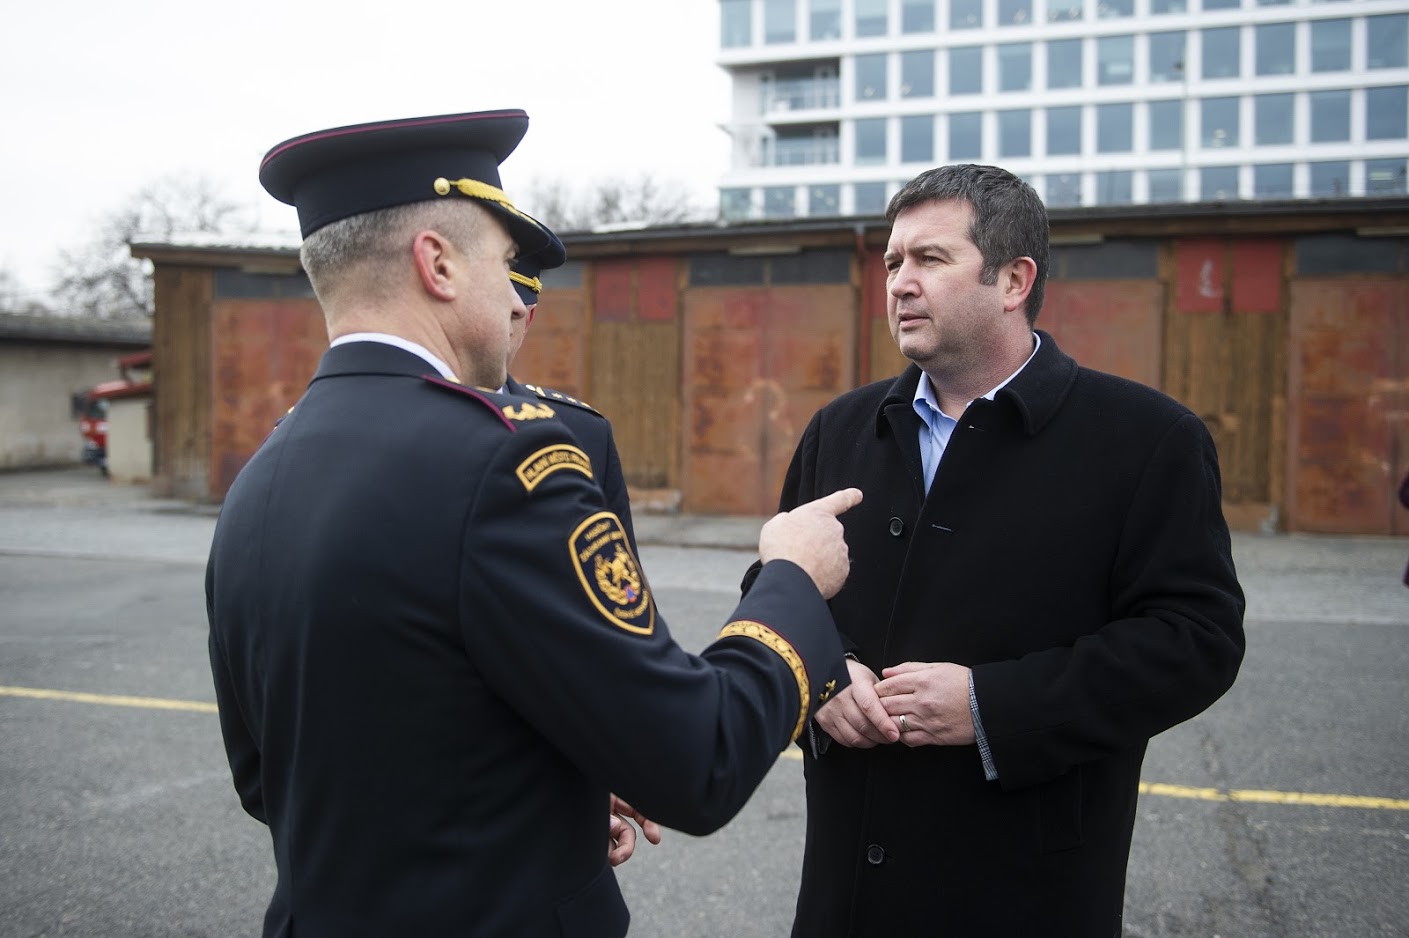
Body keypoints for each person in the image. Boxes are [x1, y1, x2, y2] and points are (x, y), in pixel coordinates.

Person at [205, 109, 861, 938]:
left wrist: (550, 794)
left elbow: (270, 778)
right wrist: (790, 577)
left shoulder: (262, 474)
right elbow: (700, 759)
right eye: (504, 262)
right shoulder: (504, 462)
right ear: (438, 264)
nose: (517, 294)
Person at [747, 163, 1246, 936]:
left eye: (930, 258)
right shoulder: (840, 429)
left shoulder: (1146, 440)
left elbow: (1194, 641)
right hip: (847, 894)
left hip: (1026, 888)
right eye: (892, 262)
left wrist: (991, 707)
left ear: (1013, 280)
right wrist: (820, 674)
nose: (899, 283)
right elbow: (776, 583)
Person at [503, 246, 638, 548]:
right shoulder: (402, 415)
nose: (503, 317)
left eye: (513, 313)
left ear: (527, 319)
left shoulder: (582, 432)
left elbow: (621, 573)